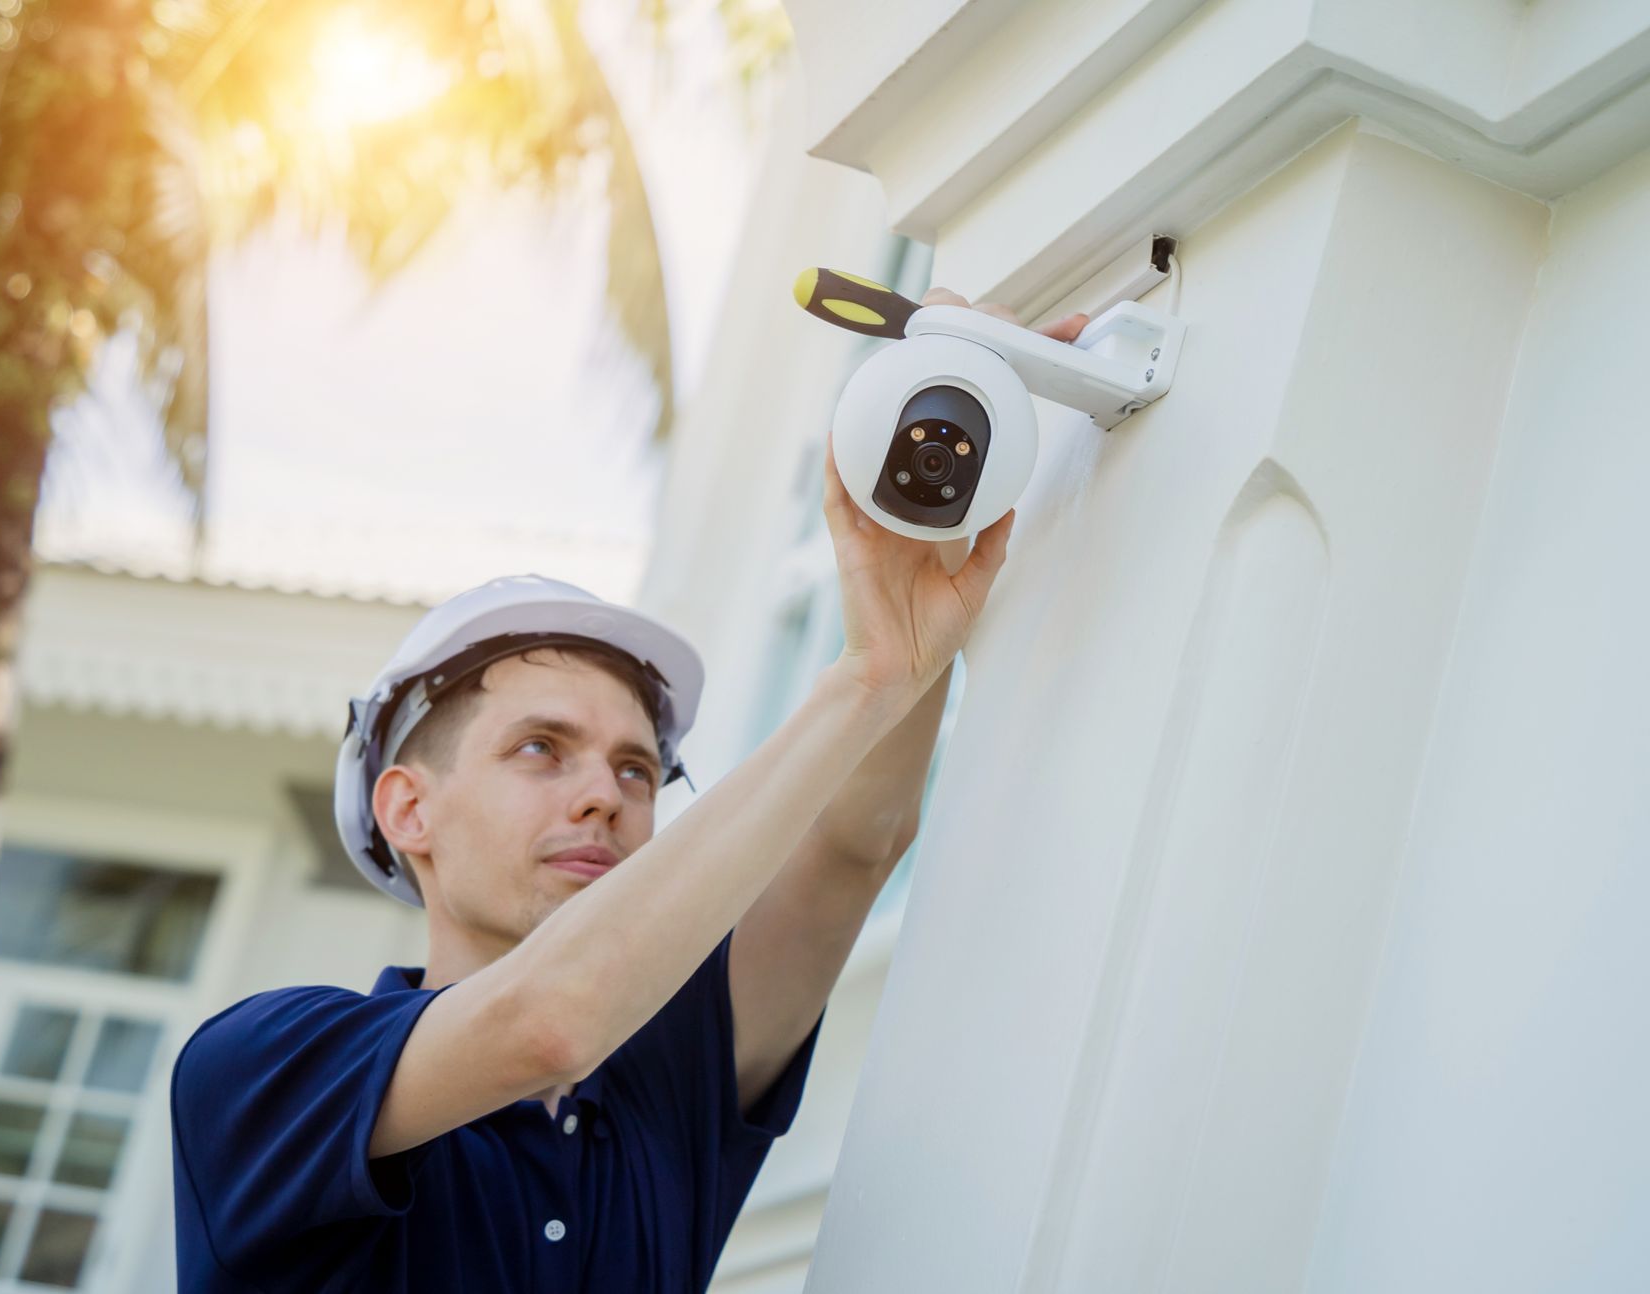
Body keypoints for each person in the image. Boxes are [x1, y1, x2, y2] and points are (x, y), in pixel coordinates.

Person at [169, 290, 1088, 1291]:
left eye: (638, 767)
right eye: (538, 748)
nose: (604, 795)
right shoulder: (267, 1070)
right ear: (408, 808)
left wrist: (922, 577)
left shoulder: (666, 1083)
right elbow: (548, 1020)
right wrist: (861, 681)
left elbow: (853, 847)